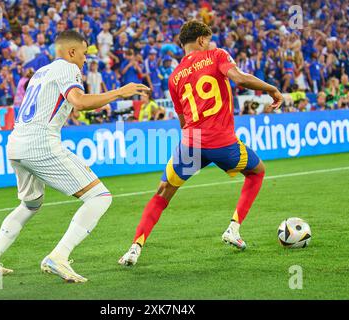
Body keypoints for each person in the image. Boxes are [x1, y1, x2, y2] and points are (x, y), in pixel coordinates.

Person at [0, 30, 149, 283]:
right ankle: (59, 256)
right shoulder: (68, 68)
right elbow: (78, 101)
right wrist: (119, 92)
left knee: (30, 205)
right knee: (99, 197)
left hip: (16, 143)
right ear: (72, 52)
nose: (86, 59)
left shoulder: (40, 72)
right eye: (85, 54)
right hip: (40, 143)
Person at [119, 20, 283, 266]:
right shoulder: (216, 55)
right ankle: (233, 229)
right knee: (257, 172)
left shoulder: (174, 77)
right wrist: (272, 89)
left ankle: (134, 248)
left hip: (191, 141)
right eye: (209, 38)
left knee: (162, 193)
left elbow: (183, 120)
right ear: (202, 40)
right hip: (222, 141)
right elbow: (239, 78)